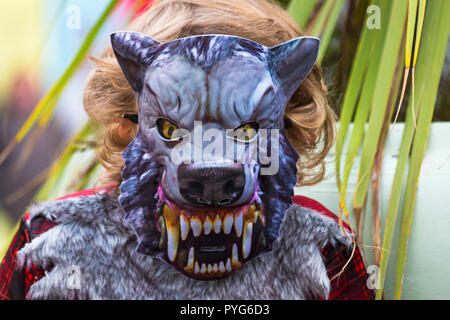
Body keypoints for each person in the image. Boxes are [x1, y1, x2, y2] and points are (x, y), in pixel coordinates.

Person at [0, 0, 374, 300]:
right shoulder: (50, 248)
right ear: (125, 126)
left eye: (243, 129)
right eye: (171, 129)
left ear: (289, 131)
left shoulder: (325, 253)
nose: (209, 164)